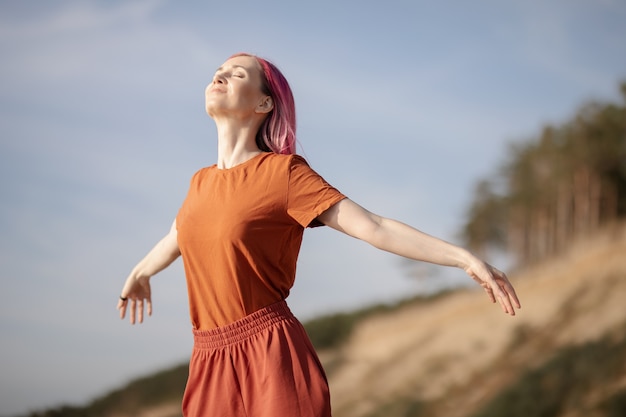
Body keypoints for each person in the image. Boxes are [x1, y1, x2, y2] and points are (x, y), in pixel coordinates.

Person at [117, 52, 521, 417]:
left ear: (264, 103)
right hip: (208, 364)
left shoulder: (284, 174)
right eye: (217, 72)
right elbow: (178, 236)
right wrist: (141, 272)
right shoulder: (199, 184)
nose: (219, 77)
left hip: (270, 357)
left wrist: (465, 258)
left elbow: (373, 227)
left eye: (236, 74)